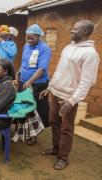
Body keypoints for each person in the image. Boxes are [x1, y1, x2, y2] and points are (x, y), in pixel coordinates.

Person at [40, 20, 100, 170]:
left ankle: (63, 157)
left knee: (66, 128)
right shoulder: (68, 47)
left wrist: (73, 100)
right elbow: (60, 70)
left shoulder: (90, 54)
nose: (72, 31)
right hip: (56, 92)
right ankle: (55, 149)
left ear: (85, 32)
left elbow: (87, 81)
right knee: (53, 121)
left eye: (75, 29)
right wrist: (50, 87)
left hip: (69, 97)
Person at [15, 24, 52, 145]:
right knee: (22, 107)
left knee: (33, 109)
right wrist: (18, 72)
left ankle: (33, 134)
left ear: (39, 36)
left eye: (32, 38)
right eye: (27, 38)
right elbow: (24, 62)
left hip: (37, 84)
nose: (29, 40)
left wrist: (30, 81)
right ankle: (21, 131)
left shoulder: (45, 49)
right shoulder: (27, 45)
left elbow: (42, 69)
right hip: (24, 82)